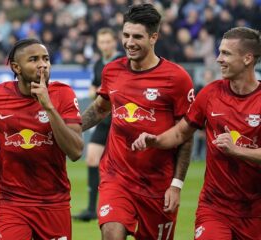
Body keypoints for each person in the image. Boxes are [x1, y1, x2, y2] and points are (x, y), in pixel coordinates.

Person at [132, 27, 261, 240]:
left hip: (255, 213)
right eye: (220, 52)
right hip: (214, 208)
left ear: (248, 58)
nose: (219, 59)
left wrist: (236, 150)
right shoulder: (210, 93)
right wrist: (155, 140)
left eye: (226, 53)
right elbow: (181, 133)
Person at [80, 4, 194, 239]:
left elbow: (185, 134)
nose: (129, 42)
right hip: (117, 177)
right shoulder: (112, 71)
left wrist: (176, 184)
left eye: (137, 36)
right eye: (126, 35)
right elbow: (100, 109)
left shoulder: (177, 78)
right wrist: (69, 127)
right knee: (111, 232)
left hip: (158, 185)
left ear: (154, 37)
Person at [0, 38, 84, 240]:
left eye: (46, 59)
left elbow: (75, 152)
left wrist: (48, 106)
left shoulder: (63, 94)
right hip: (12, 203)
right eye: (34, 59)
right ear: (16, 67)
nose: (43, 64)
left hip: (54, 204)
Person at [74, 27, 124, 222]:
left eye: (108, 42)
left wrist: (98, 90)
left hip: (120, 120)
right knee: (92, 159)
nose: (105, 45)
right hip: (103, 119)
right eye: (101, 42)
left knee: (119, 165)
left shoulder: (122, 62)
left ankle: (117, 207)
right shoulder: (97, 64)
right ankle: (91, 208)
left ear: (114, 42)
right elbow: (95, 88)